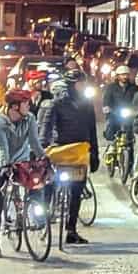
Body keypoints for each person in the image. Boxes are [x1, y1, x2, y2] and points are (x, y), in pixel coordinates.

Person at [0, 89, 46, 259]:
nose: (29, 105)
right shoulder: (0, 121)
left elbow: (34, 142)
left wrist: (44, 157)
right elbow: (2, 146)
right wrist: (5, 164)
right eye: (26, 103)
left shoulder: (30, 118)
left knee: (37, 184)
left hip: (22, 162)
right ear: (15, 106)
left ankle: (35, 214)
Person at [42, 69, 100, 245]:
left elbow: (92, 130)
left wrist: (95, 153)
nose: (83, 86)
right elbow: (46, 127)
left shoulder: (87, 104)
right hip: (61, 151)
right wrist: (43, 148)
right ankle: (45, 222)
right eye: (80, 83)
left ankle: (71, 229)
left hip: (80, 152)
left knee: (77, 191)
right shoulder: (56, 103)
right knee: (49, 185)